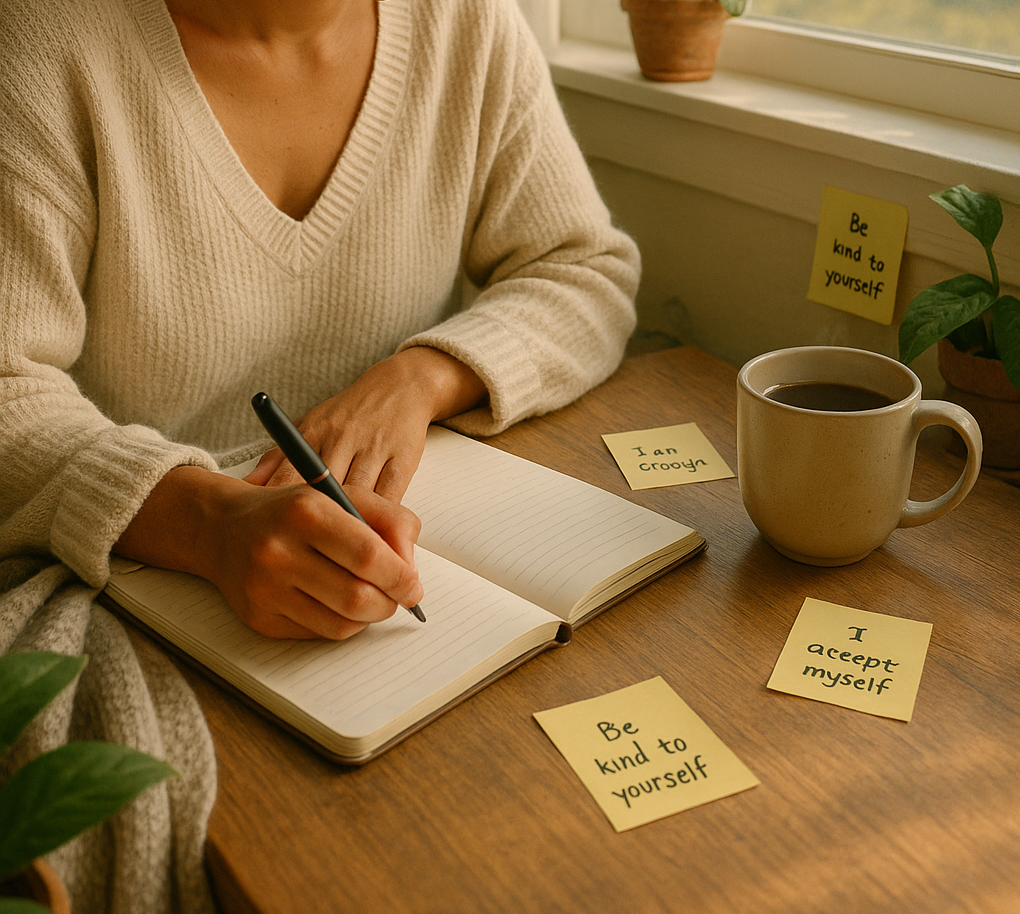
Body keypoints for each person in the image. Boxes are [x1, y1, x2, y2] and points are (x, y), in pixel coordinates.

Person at [0, 0, 637, 908]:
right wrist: (208, 520)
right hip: (131, 563)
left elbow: (586, 268)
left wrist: (424, 375)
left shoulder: (468, 23)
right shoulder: (43, 40)